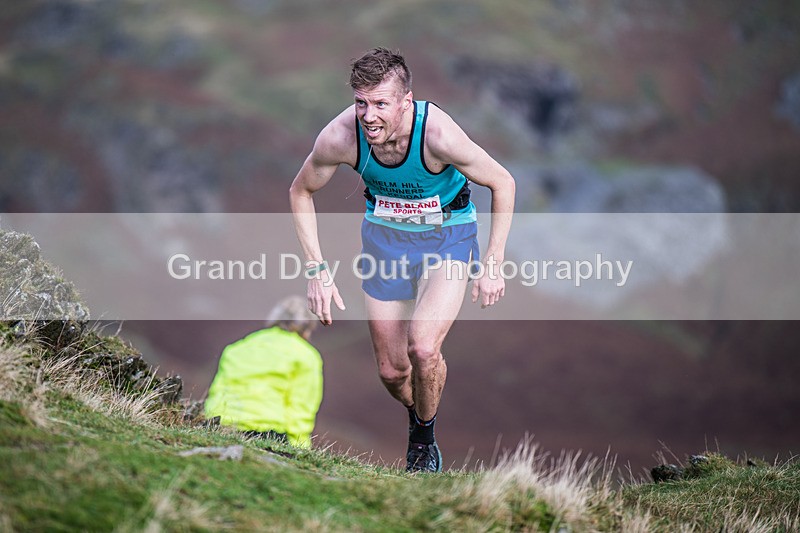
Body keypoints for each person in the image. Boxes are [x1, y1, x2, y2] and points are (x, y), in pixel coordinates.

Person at [289, 48, 515, 472]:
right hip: (385, 244)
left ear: (405, 101)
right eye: (360, 102)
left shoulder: (438, 135)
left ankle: (423, 443)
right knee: (393, 372)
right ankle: (418, 412)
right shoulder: (341, 137)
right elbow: (300, 191)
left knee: (423, 347)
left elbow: (503, 181)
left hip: (447, 237)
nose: (368, 116)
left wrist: (494, 262)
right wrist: (317, 271)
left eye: (380, 104)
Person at [204, 296, 323, 448]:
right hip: (267, 431)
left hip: (218, 423)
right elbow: (301, 409)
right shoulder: (306, 356)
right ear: (307, 328)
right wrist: (300, 447)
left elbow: (218, 390)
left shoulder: (238, 347)